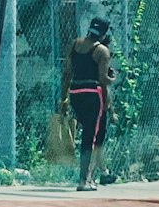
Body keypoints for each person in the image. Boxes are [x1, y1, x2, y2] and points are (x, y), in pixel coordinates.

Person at [60, 15, 114, 191]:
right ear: (104, 33)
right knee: (91, 136)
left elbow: (67, 73)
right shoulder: (102, 51)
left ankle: (87, 177)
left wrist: (63, 98)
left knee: (86, 134)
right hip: (93, 94)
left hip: (76, 93)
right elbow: (103, 80)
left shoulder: (75, 45)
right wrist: (113, 80)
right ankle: (85, 180)